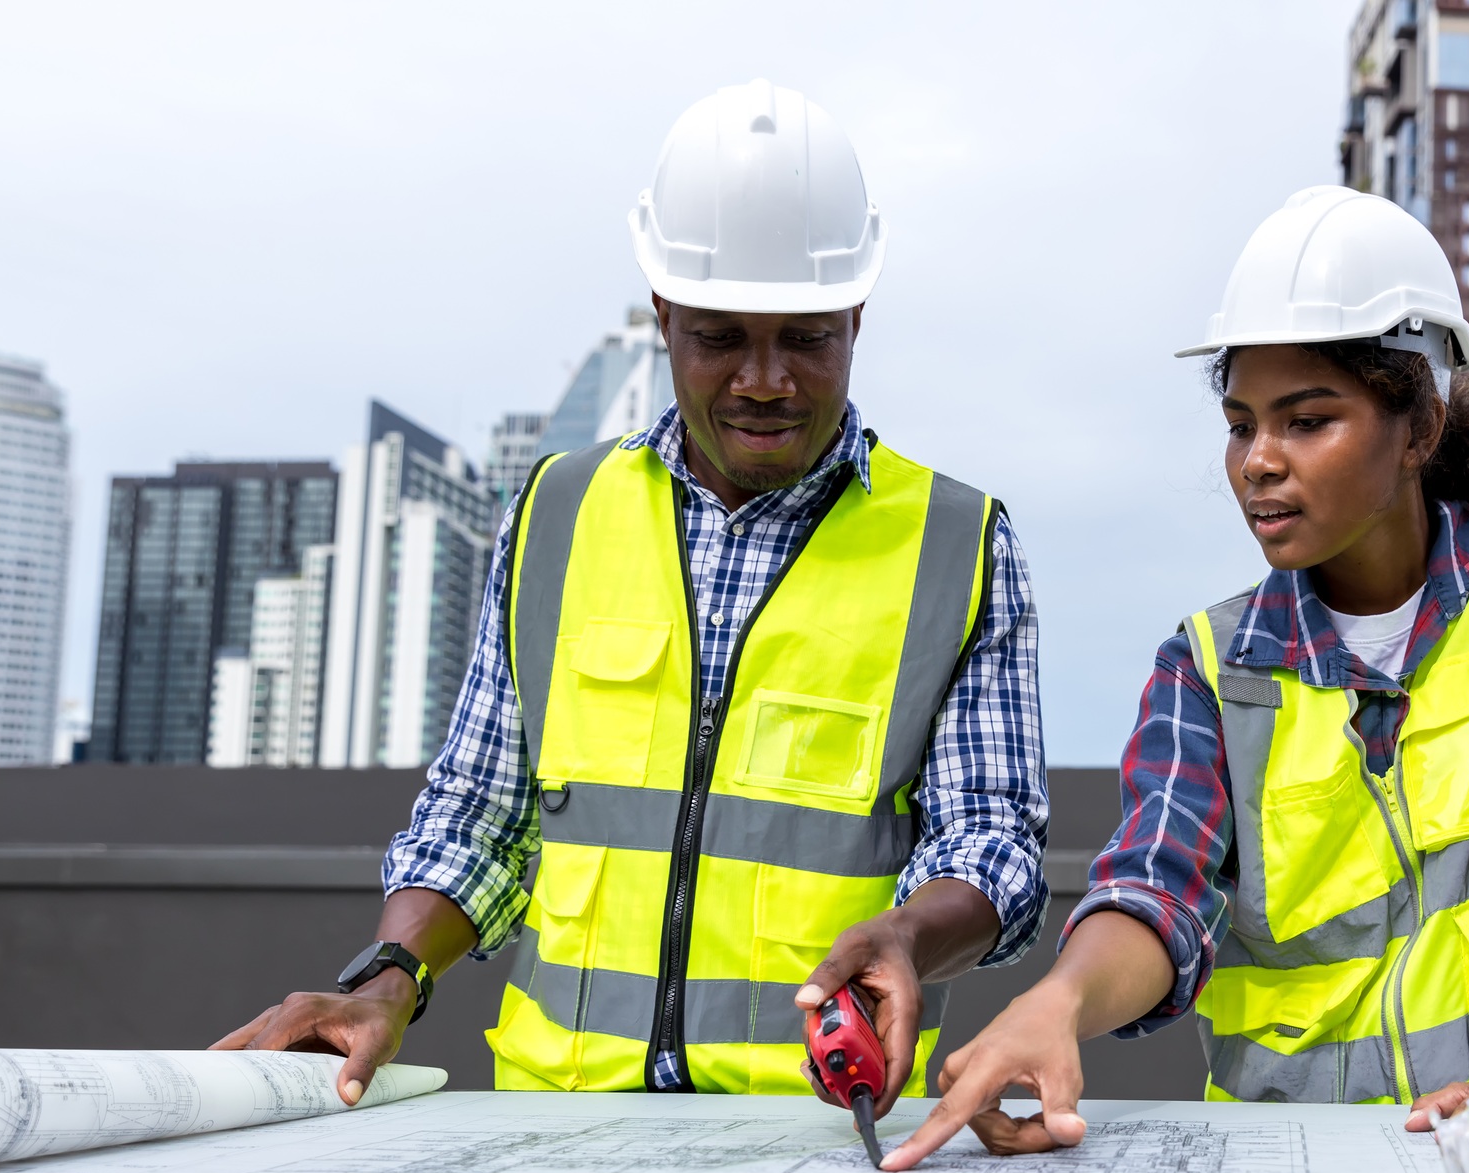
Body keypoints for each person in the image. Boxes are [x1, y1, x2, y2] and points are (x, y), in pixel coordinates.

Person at [215, 80, 1048, 1112]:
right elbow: (479, 815)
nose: (763, 380)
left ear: (855, 317)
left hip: (814, 1139)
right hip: (551, 1127)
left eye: (805, 337)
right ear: (660, 315)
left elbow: (993, 842)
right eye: (717, 336)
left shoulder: (956, 545)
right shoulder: (557, 513)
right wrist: (388, 976)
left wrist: (908, 934)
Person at [886, 185, 1469, 1170]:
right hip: (1287, 1171)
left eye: (1307, 420)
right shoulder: (1205, 667)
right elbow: (1157, 887)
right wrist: (1053, 1004)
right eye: (1240, 424)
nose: (1257, 463)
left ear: (1417, 430)